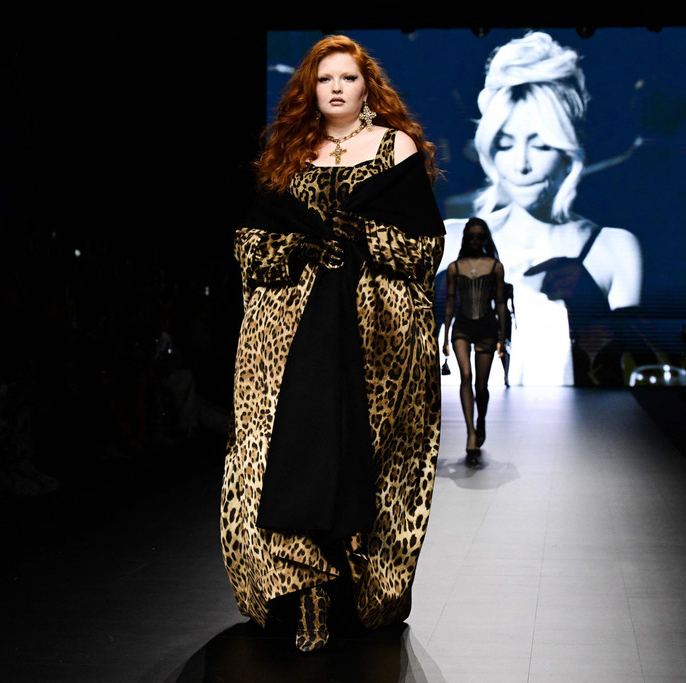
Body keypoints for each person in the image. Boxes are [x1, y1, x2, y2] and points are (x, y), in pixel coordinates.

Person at [221, 35, 445, 653]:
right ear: (310, 89)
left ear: (367, 87)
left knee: (364, 451)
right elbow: (251, 244)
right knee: (285, 450)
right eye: (325, 79)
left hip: (375, 332)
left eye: (348, 77)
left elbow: (424, 247)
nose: (337, 88)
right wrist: (302, 245)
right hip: (289, 328)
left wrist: (363, 234)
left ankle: (353, 591)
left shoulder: (396, 148)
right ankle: (303, 591)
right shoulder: (290, 152)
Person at [444, 31, 642, 386]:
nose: (521, 164)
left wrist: (592, 310)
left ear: (568, 149)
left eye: (541, 146)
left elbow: (640, 382)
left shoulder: (613, 249)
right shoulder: (448, 242)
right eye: (505, 144)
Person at [442, 218, 508, 463]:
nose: (475, 240)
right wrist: (445, 335)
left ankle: (480, 421)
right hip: (462, 326)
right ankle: (470, 432)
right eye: (471, 236)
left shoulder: (495, 266)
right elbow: (450, 301)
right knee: (466, 376)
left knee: (481, 385)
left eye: (480, 236)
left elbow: (500, 303)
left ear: (485, 239)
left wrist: (503, 336)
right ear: (465, 237)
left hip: (487, 327)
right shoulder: (454, 267)